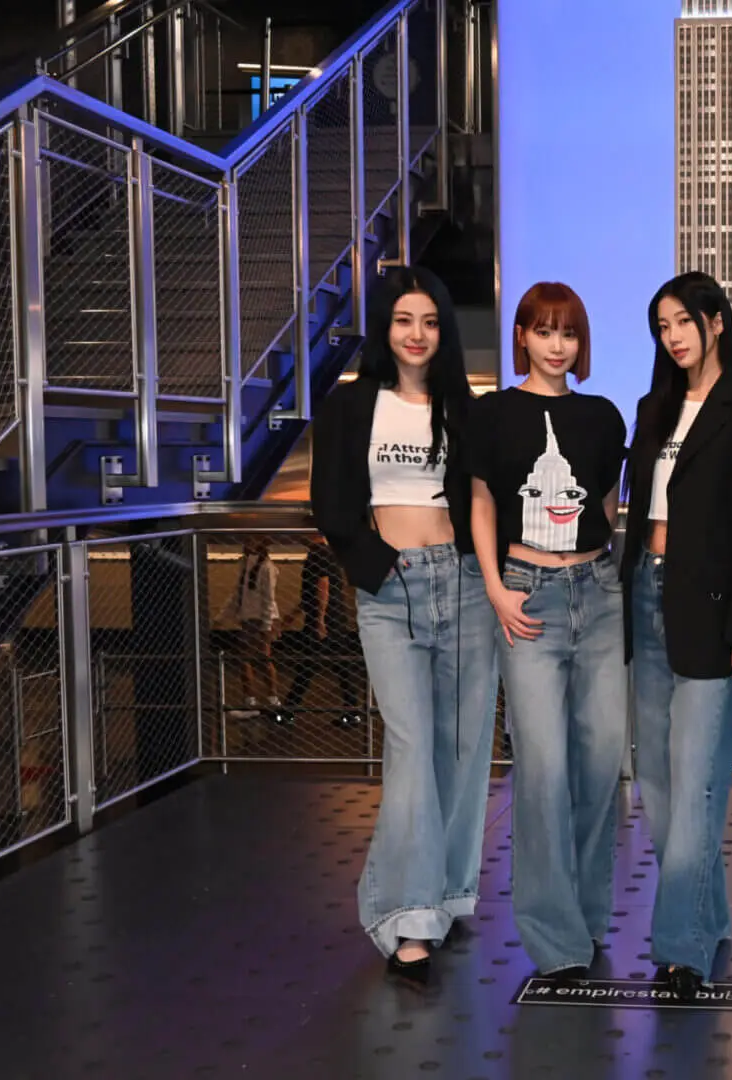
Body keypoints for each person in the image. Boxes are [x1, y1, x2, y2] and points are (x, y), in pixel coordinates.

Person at [310, 265, 498, 986]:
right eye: (402, 321)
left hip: (463, 586)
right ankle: (402, 917)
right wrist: (377, 566)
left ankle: (446, 894)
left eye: (428, 322)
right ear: (383, 329)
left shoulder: (464, 406)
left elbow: (488, 499)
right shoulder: (352, 405)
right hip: (391, 591)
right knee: (413, 748)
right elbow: (332, 506)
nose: (416, 335)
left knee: (461, 745)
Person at [621, 271, 732, 1001]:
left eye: (684, 320)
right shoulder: (651, 408)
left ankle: (680, 946)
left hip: (712, 612)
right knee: (657, 784)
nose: (674, 336)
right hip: (645, 597)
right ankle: (709, 918)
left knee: (695, 785)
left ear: (716, 321)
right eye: (662, 326)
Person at [467, 282, 628, 981]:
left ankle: (588, 916)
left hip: (598, 593)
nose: (556, 345)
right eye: (543, 331)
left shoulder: (602, 416)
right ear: (523, 338)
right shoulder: (493, 413)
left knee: (599, 767)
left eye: (567, 333)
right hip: (526, 595)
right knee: (541, 768)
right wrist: (497, 587)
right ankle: (552, 934)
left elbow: (609, 505)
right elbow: (478, 502)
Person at [280, 535, 364, 729]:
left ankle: (289, 711)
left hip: (324, 620)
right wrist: (295, 613)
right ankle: (352, 712)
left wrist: (319, 619)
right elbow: (318, 589)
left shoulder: (318, 554)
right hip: (334, 618)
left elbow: (322, 585)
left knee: (308, 665)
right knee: (340, 666)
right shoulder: (328, 553)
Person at [223, 535, 279, 718]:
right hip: (249, 618)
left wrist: (266, 625)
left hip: (259, 619)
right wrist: (223, 615)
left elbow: (268, 598)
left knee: (261, 659)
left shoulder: (266, 567)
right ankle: (257, 701)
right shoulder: (247, 565)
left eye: (250, 541)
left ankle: (264, 701)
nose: (245, 544)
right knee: (253, 659)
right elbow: (238, 593)